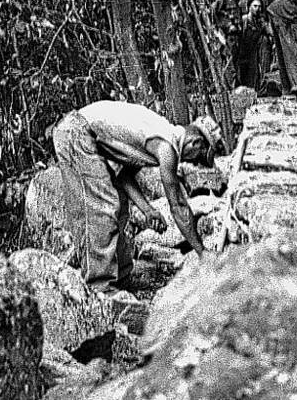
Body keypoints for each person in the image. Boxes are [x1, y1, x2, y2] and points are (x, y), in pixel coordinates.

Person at [50, 100, 227, 296]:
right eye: (197, 158)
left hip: (81, 131)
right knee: (100, 206)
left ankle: (120, 277)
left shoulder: (159, 137)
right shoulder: (166, 148)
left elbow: (124, 176)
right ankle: (100, 288)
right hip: (76, 132)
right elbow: (178, 205)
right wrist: (203, 252)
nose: (192, 163)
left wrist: (148, 210)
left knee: (117, 200)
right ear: (196, 142)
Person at [234, 0, 273, 90]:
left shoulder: (261, 21)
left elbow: (270, 33)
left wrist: (266, 25)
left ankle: (262, 88)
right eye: (255, 6)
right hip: (244, 50)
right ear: (249, 7)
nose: (257, 9)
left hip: (256, 50)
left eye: (259, 7)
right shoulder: (244, 20)